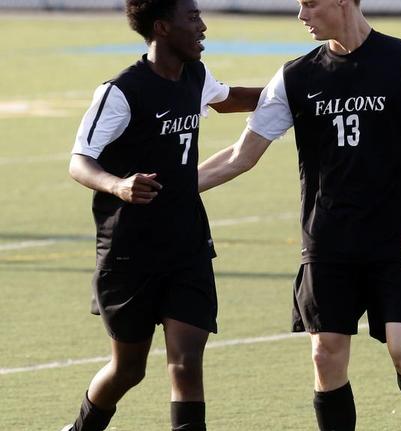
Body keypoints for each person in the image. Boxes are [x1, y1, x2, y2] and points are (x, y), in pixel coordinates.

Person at [197, 0, 401, 429]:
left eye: (309, 4)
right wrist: (171, 191)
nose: (301, 15)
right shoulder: (295, 76)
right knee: (326, 354)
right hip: (327, 241)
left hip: (400, 241)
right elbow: (239, 156)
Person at [62, 1, 261, 430]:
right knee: (128, 370)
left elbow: (231, 100)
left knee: (186, 364)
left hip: (187, 243)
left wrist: (299, 90)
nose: (203, 26)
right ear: (162, 27)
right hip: (129, 252)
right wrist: (118, 185)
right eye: (193, 18)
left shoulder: (195, 76)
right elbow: (80, 161)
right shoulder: (122, 91)